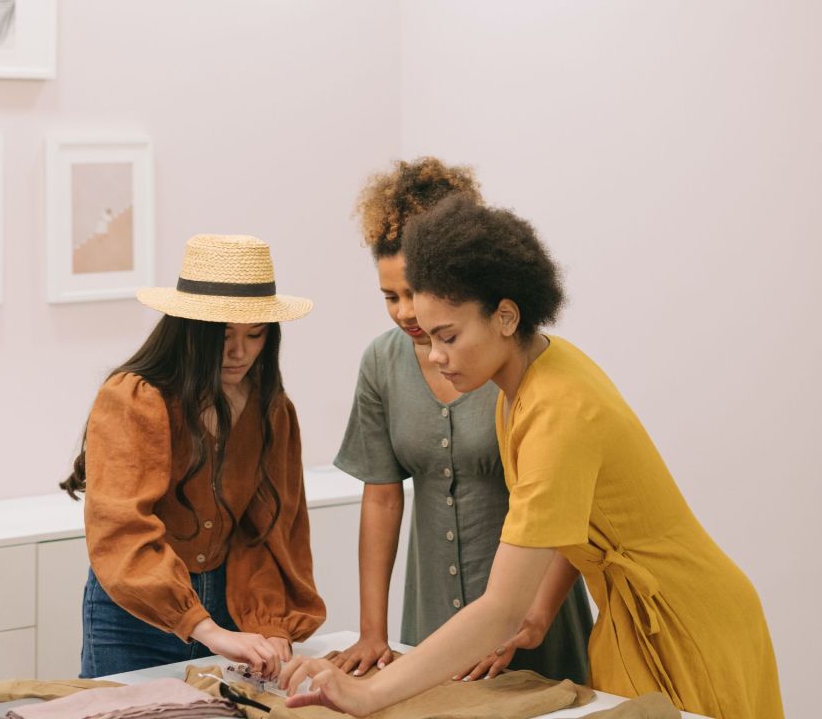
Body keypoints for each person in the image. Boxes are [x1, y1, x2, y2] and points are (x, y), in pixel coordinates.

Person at [280, 197, 784, 719]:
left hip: (686, 621)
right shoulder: (528, 380)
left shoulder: (557, 409)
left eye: (448, 336)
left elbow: (501, 608)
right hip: (632, 615)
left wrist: (365, 694)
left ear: (505, 316)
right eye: (429, 338)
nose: (435, 355)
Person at [331, 158, 592, 684]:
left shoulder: (522, 365)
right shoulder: (381, 364)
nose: (405, 312)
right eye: (389, 297)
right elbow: (382, 497)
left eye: (412, 291)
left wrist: (531, 617)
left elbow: (574, 514)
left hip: (534, 620)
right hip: (432, 619)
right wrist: (372, 631)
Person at [61, 234, 325, 679]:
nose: (239, 352)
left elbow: (271, 529)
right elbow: (122, 532)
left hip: (230, 602)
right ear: (189, 330)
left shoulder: (270, 409)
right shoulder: (133, 399)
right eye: (223, 336)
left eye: (255, 335)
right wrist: (204, 627)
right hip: (133, 612)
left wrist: (269, 622)